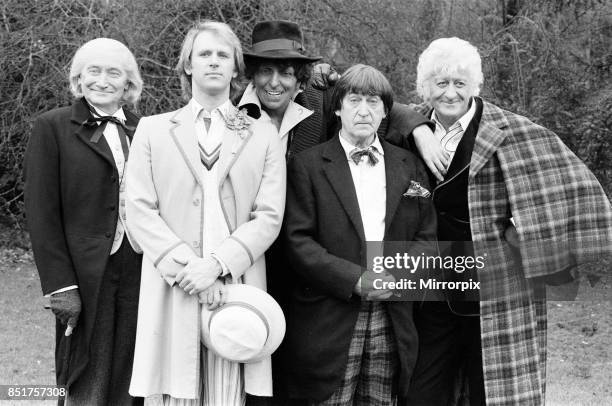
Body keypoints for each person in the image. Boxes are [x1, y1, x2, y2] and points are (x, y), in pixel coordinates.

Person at [403, 37, 612, 406]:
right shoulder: (407, 129)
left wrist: (530, 228)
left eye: (459, 84)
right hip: (432, 288)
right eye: (441, 83)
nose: (450, 93)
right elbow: (370, 103)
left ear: (474, 86)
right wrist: (416, 128)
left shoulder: (512, 130)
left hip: (498, 286)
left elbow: (572, 184)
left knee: (496, 394)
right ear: (426, 87)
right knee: (423, 392)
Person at [125, 21, 285, 406]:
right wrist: (190, 270)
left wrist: (216, 265)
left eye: (223, 55)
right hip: (172, 285)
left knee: (226, 394)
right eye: (204, 54)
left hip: (235, 286)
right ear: (188, 67)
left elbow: (268, 216)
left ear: (235, 69)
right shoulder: (153, 130)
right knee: (172, 393)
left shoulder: (260, 133)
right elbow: (139, 209)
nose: (213, 62)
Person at [283, 64, 438, 405]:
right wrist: (356, 279)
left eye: (373, 101)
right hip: (330, 317)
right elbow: (298, 243)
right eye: (354, 100)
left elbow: (427, 237)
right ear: (337, 108)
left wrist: (397, 277)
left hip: (393, 317)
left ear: (385, 111)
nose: (363, 110)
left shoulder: (409, 165)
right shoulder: (307, 166)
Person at [24, 38, 144, 405]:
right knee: (84, 377)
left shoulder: (147, 130)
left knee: (133, 374)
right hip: (84, 274)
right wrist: (60, 287)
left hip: (139, 269)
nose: (103, 80)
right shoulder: (53, 127)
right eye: (94, 71)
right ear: (79, 78)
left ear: (129, 83)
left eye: (114, 72)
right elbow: (41, 213)